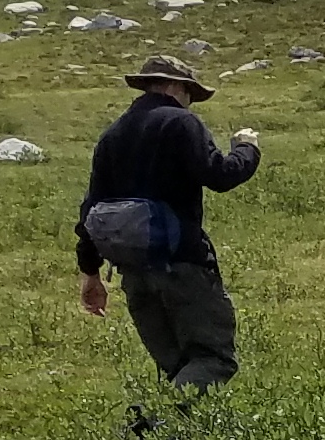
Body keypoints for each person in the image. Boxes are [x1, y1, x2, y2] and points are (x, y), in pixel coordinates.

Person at [76, 53, 261, 391]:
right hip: (182, 266)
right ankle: (157, 427)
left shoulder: (113, 134)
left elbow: (91, 208)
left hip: (133, 272)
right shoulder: (180, 123)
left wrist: (90, 274)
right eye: (190, 95)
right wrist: (246, 149)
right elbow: (219, 175)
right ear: (178, 86)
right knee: (212, 359)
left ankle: (162, 439)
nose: (190, 104)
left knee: (176, 365)